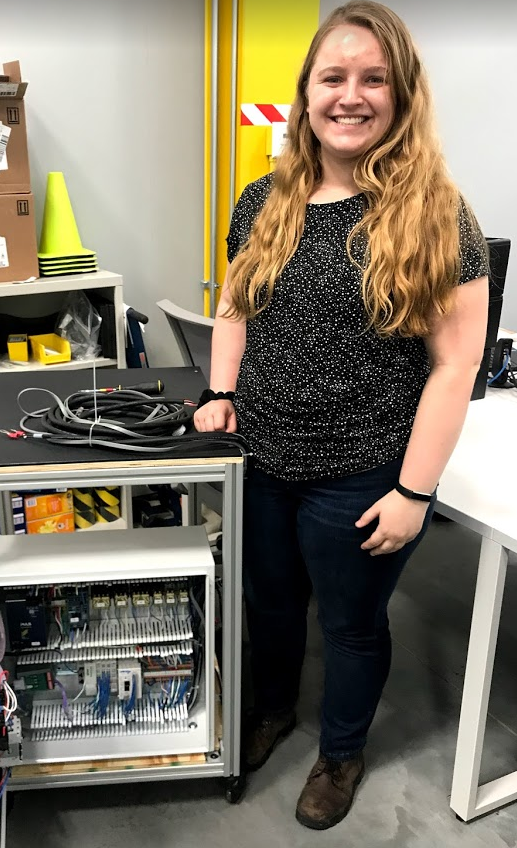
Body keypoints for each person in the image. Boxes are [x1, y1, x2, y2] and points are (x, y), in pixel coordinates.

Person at [194, 0, 489, 831]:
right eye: (333, 77)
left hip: (362, 470)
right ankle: (272, 713)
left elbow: (455, 364)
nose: (350, 95)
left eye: (373, 79)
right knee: (273, 605)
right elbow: (234, 310)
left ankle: (341, 751)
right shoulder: (265, 200)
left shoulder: (435, 212)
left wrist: (414, 492)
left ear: (400, 96)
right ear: (307, 92)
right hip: (262, 457)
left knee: (353, 625)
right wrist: (221, 393)